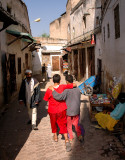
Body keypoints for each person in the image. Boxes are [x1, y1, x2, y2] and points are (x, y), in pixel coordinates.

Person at [43, 74, 76, 152]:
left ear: (53, 81)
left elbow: (46, 99)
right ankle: (66, 140)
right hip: (62, 109)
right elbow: (74, 85)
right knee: (63, 123)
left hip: (52, 110)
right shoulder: (62, 87)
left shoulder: (49, 89)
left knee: (53, 123)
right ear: (60, 81)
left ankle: (55, 136)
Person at [51, 75, 84, 143]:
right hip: (76, 110)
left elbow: (59, 97)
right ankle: (79, 135)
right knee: (76, 124)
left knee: (69, 125)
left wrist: (53, 91)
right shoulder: (78, 89)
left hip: (69, 111)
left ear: (67, 81)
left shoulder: (66, 90)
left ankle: (71, 137)